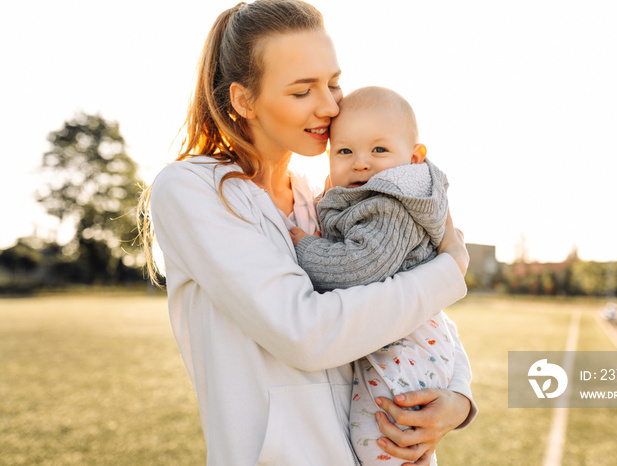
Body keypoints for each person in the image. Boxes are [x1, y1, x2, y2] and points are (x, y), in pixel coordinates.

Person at [139, 1, 475, 464]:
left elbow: (415, 318)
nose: (331, 105)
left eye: (333, 83)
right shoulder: (193, 190)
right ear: (244, 101)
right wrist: (449, 270)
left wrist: (457, 400)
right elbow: (306, 333)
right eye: (303, 92)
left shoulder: (328, 197)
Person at [289, 86, 470, 466]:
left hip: (405, 347)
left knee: (383, 439)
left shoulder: (390, 205)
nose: (360, 163)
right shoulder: (369, 197)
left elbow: (358, 267)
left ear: (415, 158)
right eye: (345, 151)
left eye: (379, 150)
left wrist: (305, 247)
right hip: (407, 334)